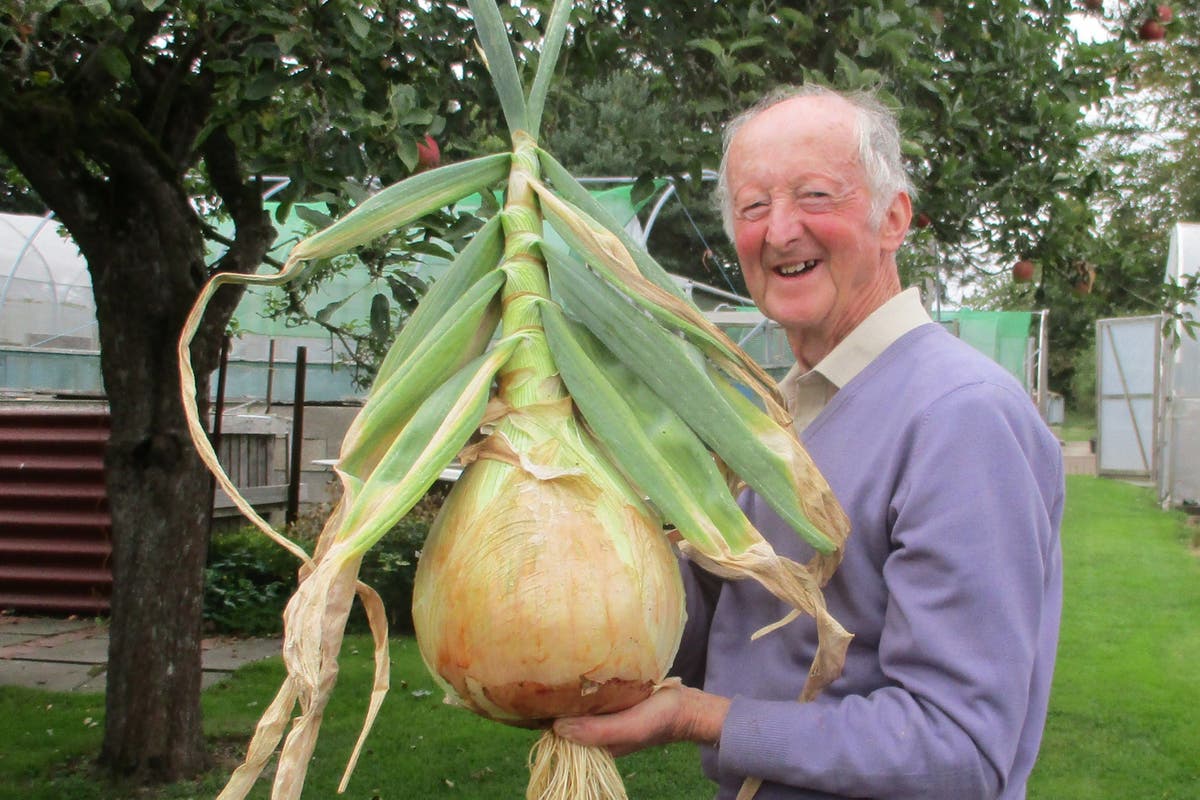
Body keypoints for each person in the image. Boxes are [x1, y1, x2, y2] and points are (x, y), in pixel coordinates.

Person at [553, 84, 1065, 800]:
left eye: (815, 196)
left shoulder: (960, 417)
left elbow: (957, 750)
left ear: (893, 219)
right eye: (752, 207)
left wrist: (701, 718)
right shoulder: (775, 415)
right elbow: (724, 628)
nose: (780, 231)